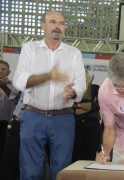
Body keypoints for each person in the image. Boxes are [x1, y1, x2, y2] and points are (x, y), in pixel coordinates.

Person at [12, 11, 86, 180]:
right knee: (30, 171)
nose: (58, 26)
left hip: (63, 118)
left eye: (61, 23)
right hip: (33, 116)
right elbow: (19, 81)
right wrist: (48, 76)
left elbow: (80, 85)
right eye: (53, 22)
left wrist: (72, 93)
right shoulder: (30, 49)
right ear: (42, 25)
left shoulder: (74, 53)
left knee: (62, 171)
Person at [72, 72, 102, 162]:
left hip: (92, 127)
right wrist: (90, 107)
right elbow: (72, 110)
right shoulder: (73, 91)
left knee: (89, 158)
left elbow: (98, 105)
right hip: (75, 127)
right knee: (74, 157)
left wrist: (78, 105)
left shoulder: (95, 88)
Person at [0, 59, 19, 165]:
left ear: (9, 72)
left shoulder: (14, 86)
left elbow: (16, 101)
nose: (0, 71)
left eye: (3, 69)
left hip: (9, 125)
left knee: (6, 153)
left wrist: (5, 87)